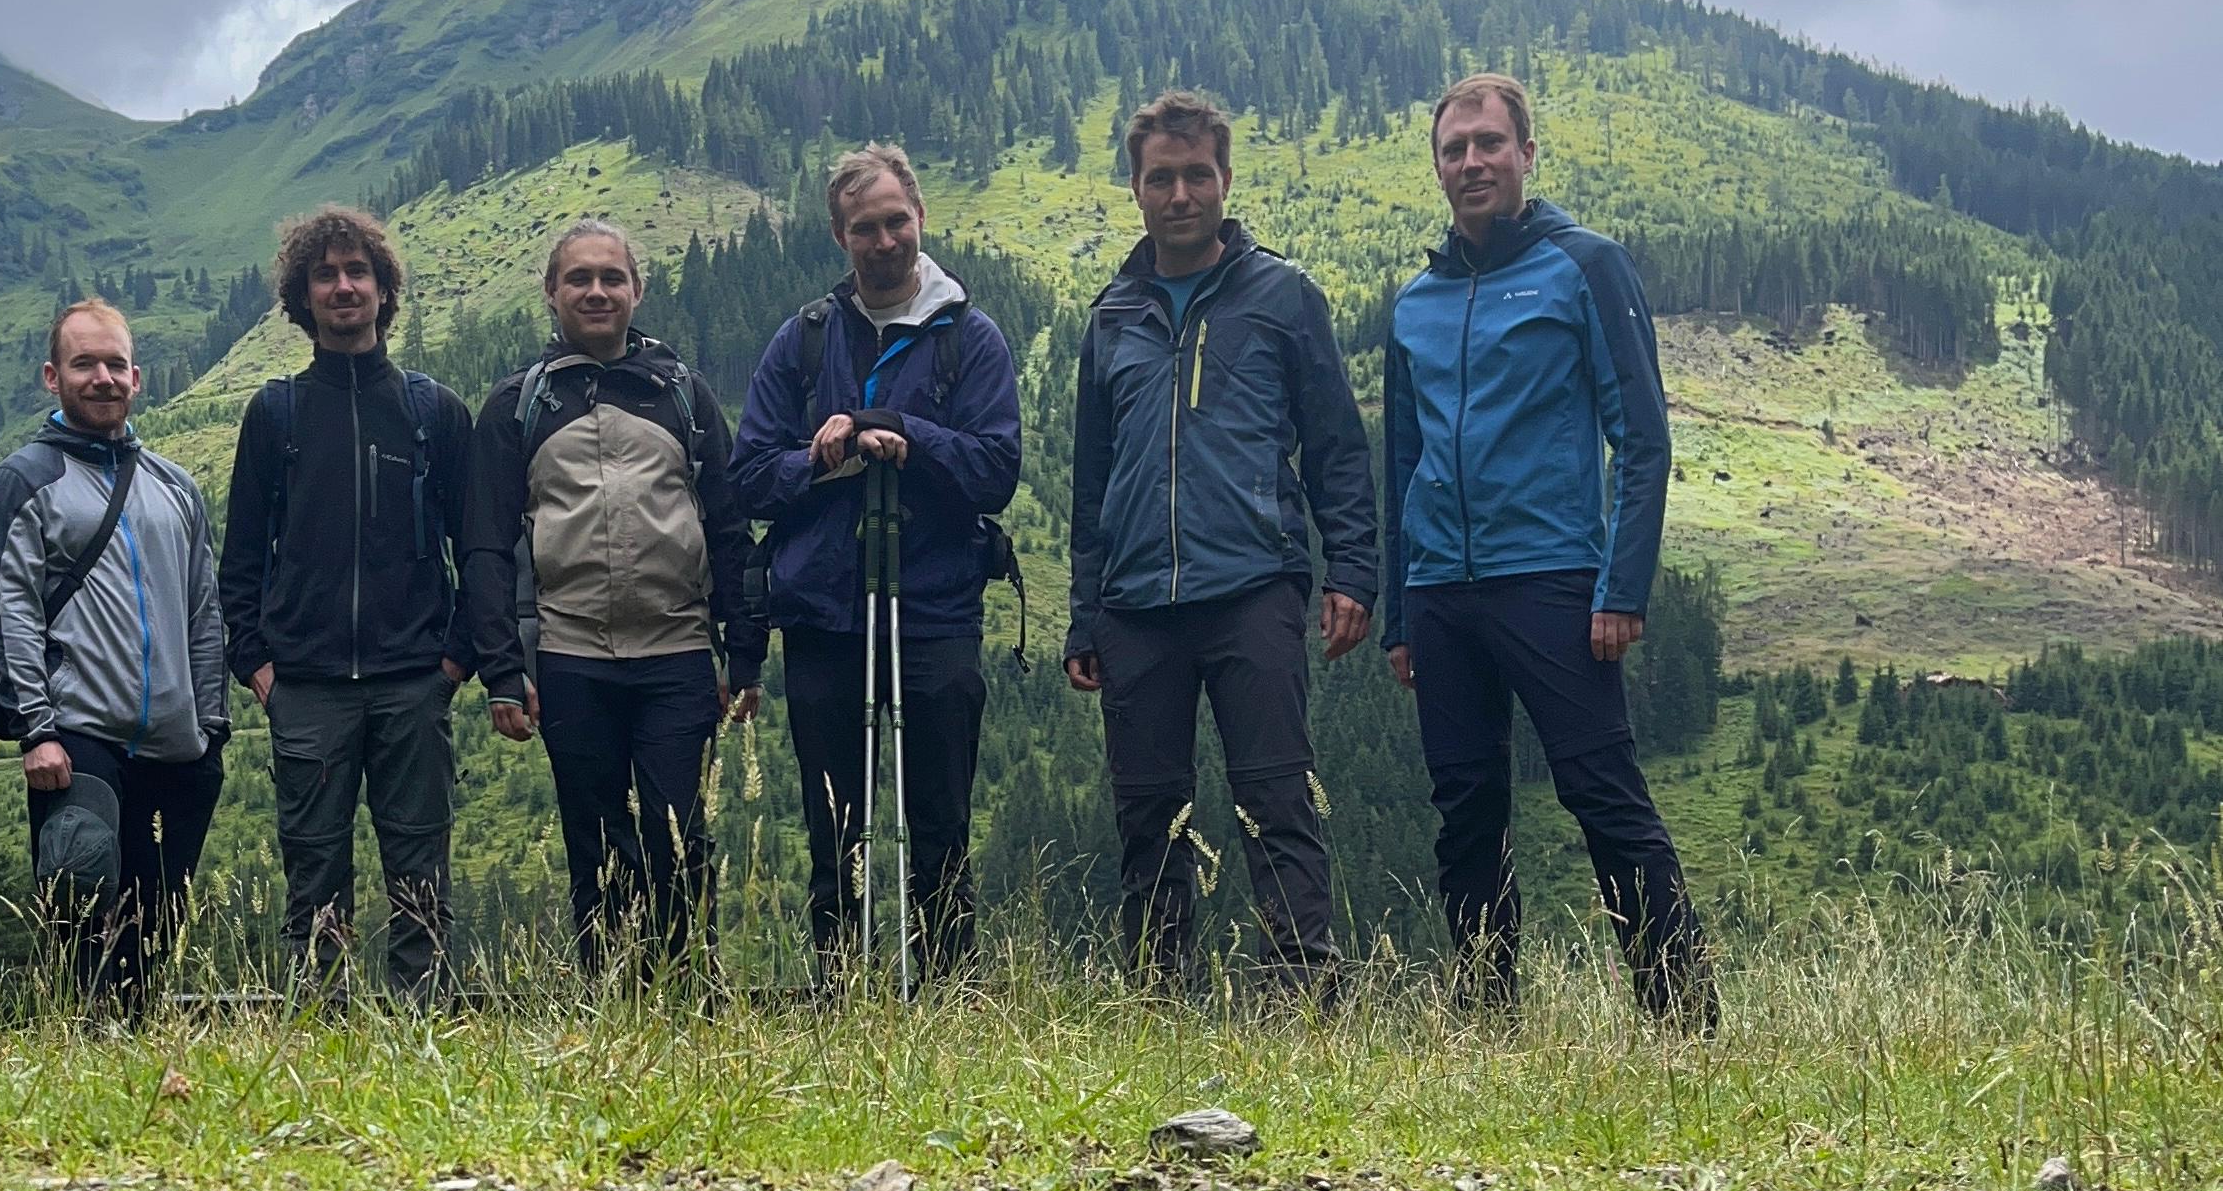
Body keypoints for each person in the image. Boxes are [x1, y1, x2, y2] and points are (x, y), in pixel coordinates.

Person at [1382, 73, 1718, 1029]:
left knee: (1603, 796)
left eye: (1491, 144)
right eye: (1456, 149)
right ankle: (1488, 1024)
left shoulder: (1586, 266)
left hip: (1555, 581)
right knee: (1465, 816)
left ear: (1528, 154)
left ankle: (1685, 1022)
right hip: (1443, 589)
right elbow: (1401, 460)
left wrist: (1623, 587)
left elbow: (1643, 437)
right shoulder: (1417, 299)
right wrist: (1401, 614)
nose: (1473, 162)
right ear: (1438, 168)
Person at [1063, 91, 1378, 995]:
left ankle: (1303, 991)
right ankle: (1162, 992)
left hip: (1253, 585)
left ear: (1226, 180)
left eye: (1197, 174)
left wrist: (1352, 567)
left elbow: (1336, 447)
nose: (1180, 194)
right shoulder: (1112, 314)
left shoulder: (1281, 296)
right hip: (1134, 605)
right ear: (1136, 188)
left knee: (1277, 794)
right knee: (1148, 812)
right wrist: (1085, 614)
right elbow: (1093, 481)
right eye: (1161, 177)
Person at [731, 144, 1022, 984]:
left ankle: (945, 992)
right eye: (866, 227)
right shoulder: (804, 339)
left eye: (897, 220)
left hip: (934, 610)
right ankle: (841, 990)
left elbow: (996, 471)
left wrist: (906, 432)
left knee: (940, 821)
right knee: (835, 826)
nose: (885, 239)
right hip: (825, 616)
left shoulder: (971, 337)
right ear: (840, 235)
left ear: (920, 217)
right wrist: (821, 460)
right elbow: (750, 477)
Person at [462, 218, 766, 977]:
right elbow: (485, 547)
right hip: (570, 657)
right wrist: (503, 667)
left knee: (680, 836)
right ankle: (611, 998)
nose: (596, 291)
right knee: (594, 842)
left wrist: (747, 651)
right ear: (551, 293)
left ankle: (690, 996)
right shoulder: (516, 407)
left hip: (679, 654)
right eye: (579, 278)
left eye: (611, 277)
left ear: (638, 290)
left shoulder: (684, 396)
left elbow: (728, 528)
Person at [216, 206, 479, 1005]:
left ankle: (419, 1020)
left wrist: (453, 662)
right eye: (325, 274)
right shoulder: (276, 414)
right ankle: (319, 1020)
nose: (342, 285)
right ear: (302, 296)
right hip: (308, 683)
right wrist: (260, 668)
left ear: (382, 288)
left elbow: (482, 551)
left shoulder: (435, 412)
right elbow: (240, 562)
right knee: (314, 865)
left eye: (356, 271)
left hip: (413, 679)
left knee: (419, 864)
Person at [0, 298, 228, 1015]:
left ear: (137, 377)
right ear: (52, 376)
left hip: (179, 741)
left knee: (158, 919)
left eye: (115, 363)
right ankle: (81, 1042)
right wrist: (36, 727)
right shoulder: (25, 479)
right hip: (78, 732)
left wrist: (211, 724)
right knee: (81, 896)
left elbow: (204, 611)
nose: (103, 377)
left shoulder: (175, 485)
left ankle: (137, 1049)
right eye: (84, 363)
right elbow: (12, 609)